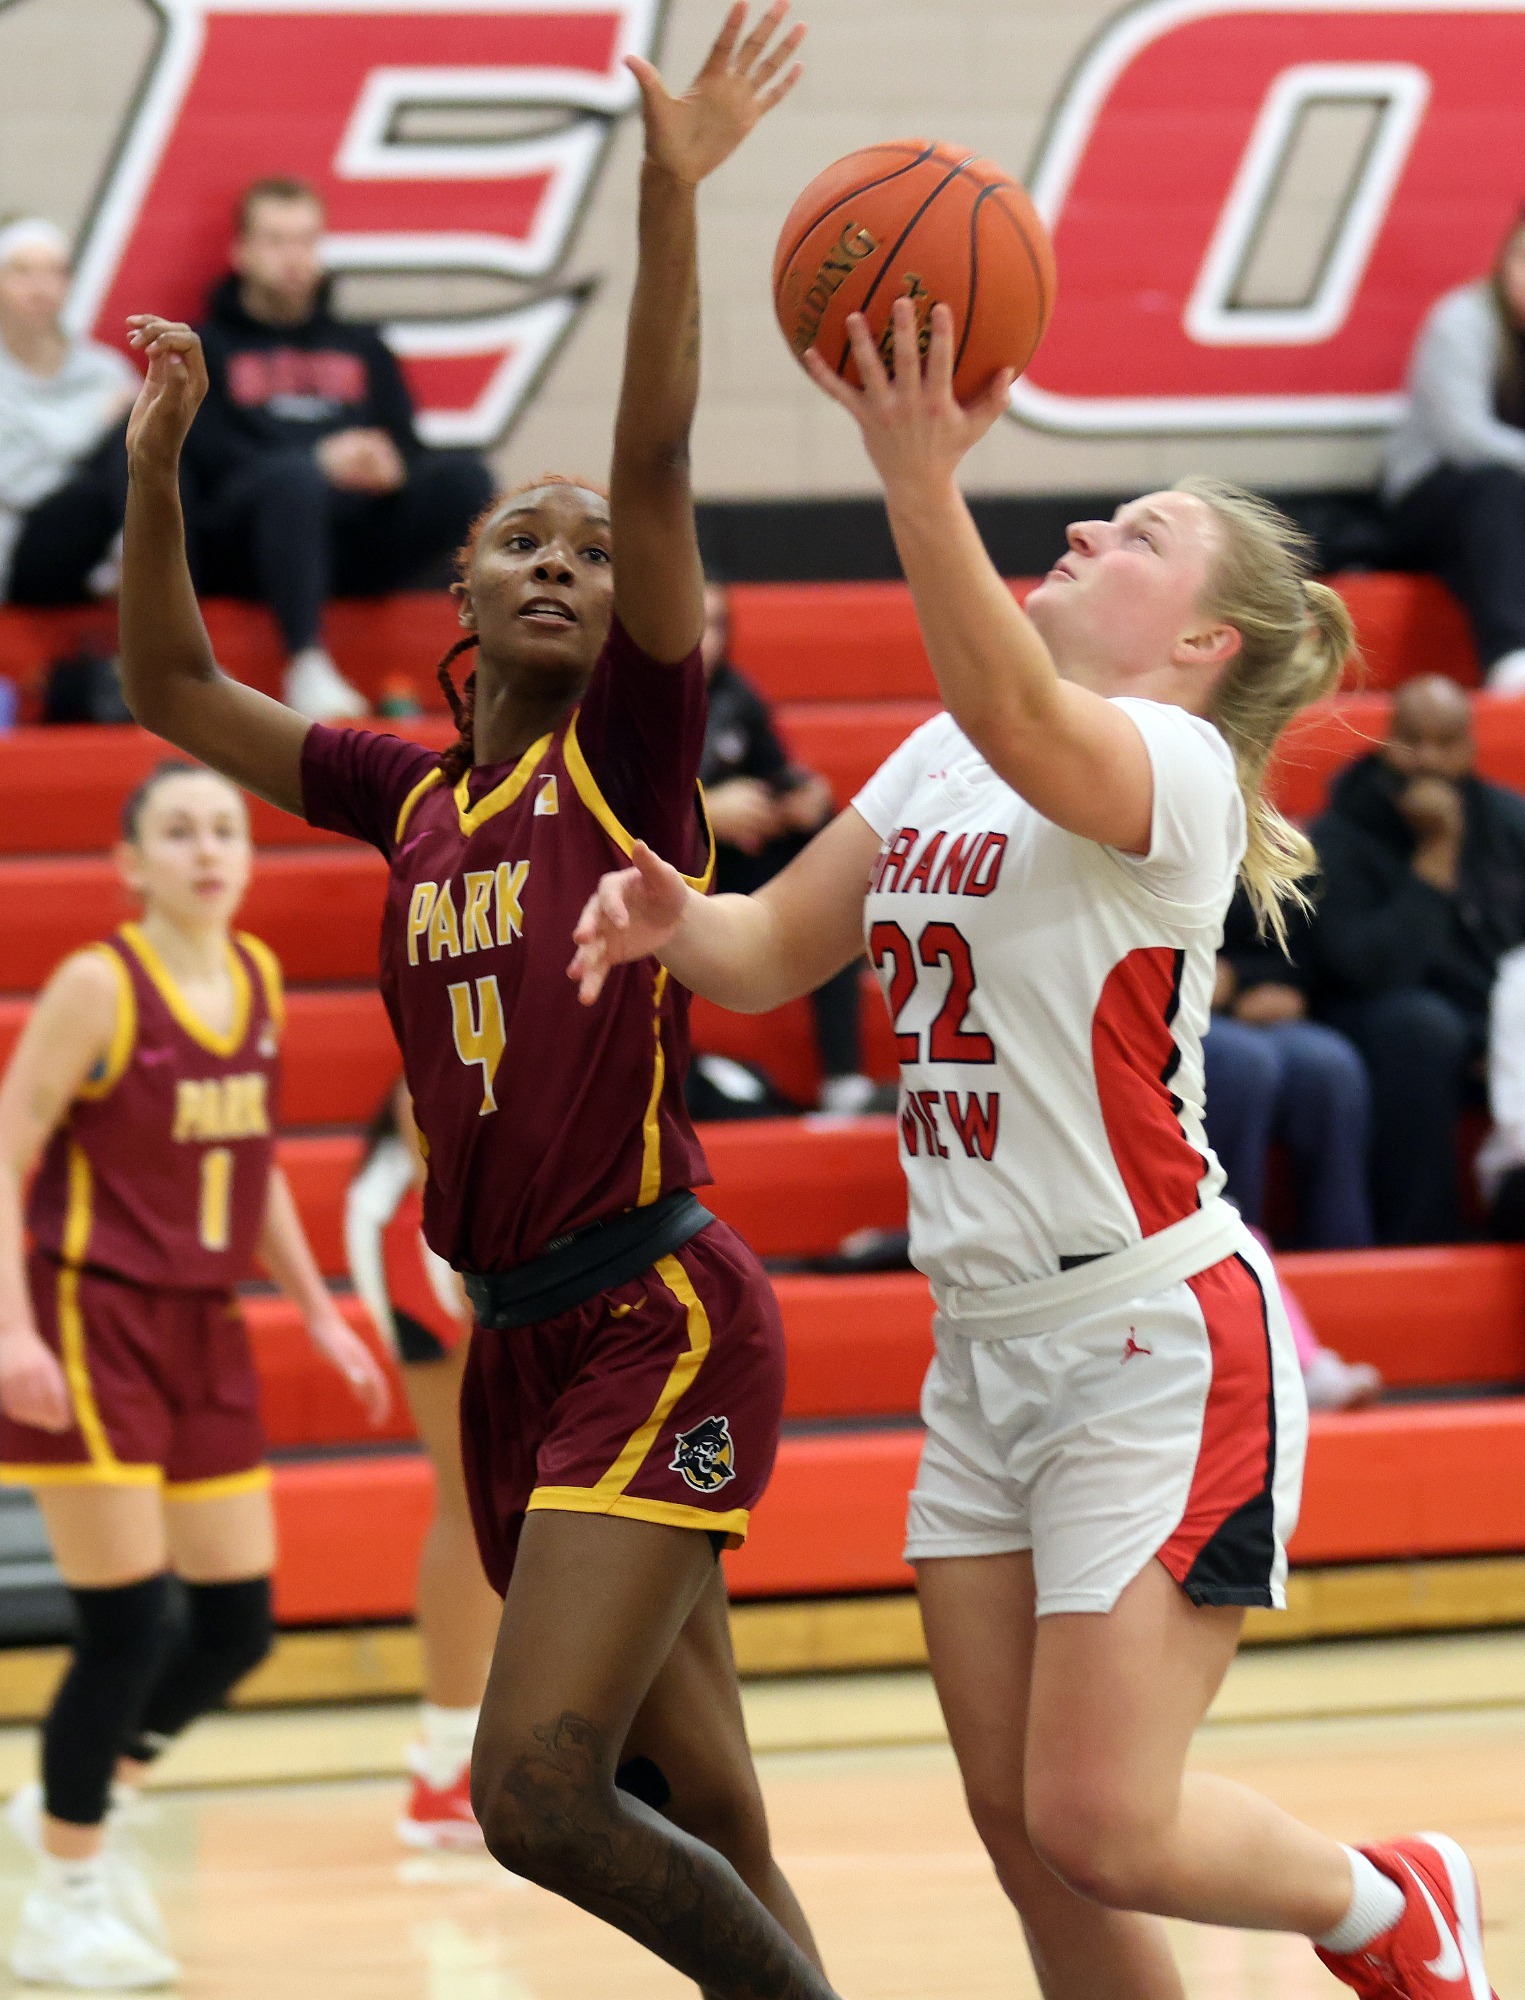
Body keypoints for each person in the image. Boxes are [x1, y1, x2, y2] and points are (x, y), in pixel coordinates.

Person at [572, 297, 1497, 2000]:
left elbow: (1011, 706)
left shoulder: (1172, 764)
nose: (1085, 524)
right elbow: (777, 950)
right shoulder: (947, 750)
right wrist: (668, 919)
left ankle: (1391, 1904)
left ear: (1207, 644)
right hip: (984, 1343)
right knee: (1023, 1833)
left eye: (1136, 532)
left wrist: (918, 484)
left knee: (1104, 1815)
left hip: (1151, 1337)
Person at [115, 13, 849, 1999]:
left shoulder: (631, 748)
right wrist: (166, 467)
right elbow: (175, 692)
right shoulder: (410, 793)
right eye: (523, 541)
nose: (565, 560)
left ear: (632, 612)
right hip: (517, 1341)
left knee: (538, 1790)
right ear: (455, 598)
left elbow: (661, 456)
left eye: (595, 555)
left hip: (654, 1310)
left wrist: (671, 188)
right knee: (703, 1804)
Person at [0, 760, 389, 1989]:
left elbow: (253, 1155)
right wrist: (11, 1335)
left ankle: (76, 1798)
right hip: (88, 1312)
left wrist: (317, 1310)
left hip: (206, 1324)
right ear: (131, 863)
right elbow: (5, 1156)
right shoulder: (96, 986)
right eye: (178, 832)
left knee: (232, 1623)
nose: (208, 849)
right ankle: (62, 1892)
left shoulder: (259, 976)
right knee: (125, 1622)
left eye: (225, 828)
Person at [185, 177, 495, 722]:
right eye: (277, 240)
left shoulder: (362, 344)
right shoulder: (207, 346)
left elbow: (407, 444)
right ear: (242, 252)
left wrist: (392, 467)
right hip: (248, 542)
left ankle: (496, 650)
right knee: (292, 479)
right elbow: (205, 461)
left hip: (352, 540)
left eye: (306, 241)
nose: (294, 257)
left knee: (467, 478)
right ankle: (304, 660)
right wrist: (318, 460)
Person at [1309, 673, 1525, 1244]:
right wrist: (1435, 858)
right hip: (1372, 1012)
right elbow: (1366, 969)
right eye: (1413, 740)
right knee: (1420, 1026)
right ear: (1387, 741)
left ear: (1471, 747)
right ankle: (1421, 1235)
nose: (1427, 760)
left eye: (1446, 742)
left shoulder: (1508, 823)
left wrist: (1500, 1038)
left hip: (1492, 1013)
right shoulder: (1341, 831)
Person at [345, 1080, 500, 1848]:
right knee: (475, 1495)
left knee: (513, 1495)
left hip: (486, 1206)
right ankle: (446, 1766)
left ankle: (484, 1750)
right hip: (427, 1212)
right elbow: (425, 1078)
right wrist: (459, 1243)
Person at [700, 581, 893, 1114]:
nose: (705, 639)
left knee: (822, 834)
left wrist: (802, 797)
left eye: (717, 624)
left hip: (730, 872)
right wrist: (707, 812)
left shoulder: (736, 696)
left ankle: (843, 1081)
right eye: (693, 622)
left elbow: (776, 774)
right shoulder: (621, 702)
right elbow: (600, 809)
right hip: (652, 874)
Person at [1385, 207, 1525, 691]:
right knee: (1497, 489)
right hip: (1434, 493)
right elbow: (1464, 438)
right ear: (1506, 260)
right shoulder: (1462, 321)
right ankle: (1510, 655)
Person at [1204, 884, 1373, 1248]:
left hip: (1257, 999)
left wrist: (1265, 984)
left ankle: (1342, 1257)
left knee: (1330, 1067)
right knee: (1242, 1065)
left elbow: (1309, 941)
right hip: (1175, 1001)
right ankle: (1229, 1252)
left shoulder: (1262, 838)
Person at [0, 218, 137, 609]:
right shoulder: (107, 395)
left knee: (141, 433)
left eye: (54, 273)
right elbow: (17, 482)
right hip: (20, 547)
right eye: (22, 272)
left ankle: (145, 579)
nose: (40, 289)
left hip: (98, 542)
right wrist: (94, 420)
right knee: (94, 487)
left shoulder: (103, 370)